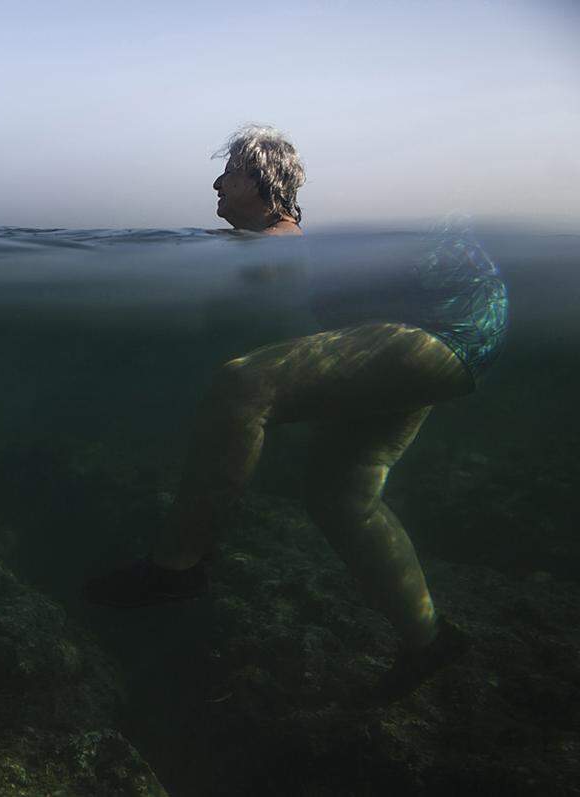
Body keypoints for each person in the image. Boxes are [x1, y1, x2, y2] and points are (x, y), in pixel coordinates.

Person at [84, 125, 508, 697]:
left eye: (229, 172)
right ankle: (428, 640)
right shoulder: (289, 240)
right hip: (454, 338)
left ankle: (175, 568)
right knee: (342, 496)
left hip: (441, 330)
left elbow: (272, 326)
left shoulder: (283, 239)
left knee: (243, 384)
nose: (215, 182)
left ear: (262, 183)